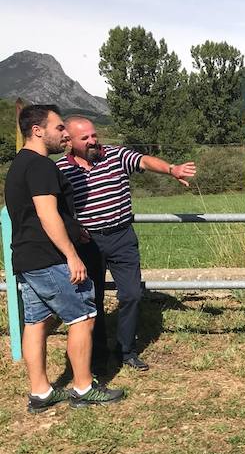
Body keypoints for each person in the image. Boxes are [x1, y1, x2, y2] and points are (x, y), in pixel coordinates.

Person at [5, 105, 124, 412]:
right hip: (49, 258)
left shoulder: (19, 164)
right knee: (83, 318)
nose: (64, 133)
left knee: (37, 322)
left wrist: (75, 228)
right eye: (59, 128)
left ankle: (41, 392)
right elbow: (46, 214)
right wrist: (72, 255)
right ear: (37, 130)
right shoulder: (43, 166)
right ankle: (84, 388)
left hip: (26, 258)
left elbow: (33, 214)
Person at [58, 116, 196, 372]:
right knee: (92, 299)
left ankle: (126, 351)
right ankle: (97, 354)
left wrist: (171, 169)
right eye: (85, 138)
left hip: (122, 237)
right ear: (70, 141)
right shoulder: (61, 170)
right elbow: (56, 209)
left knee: (131, 294)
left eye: (94, 135)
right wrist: (74, 229)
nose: (92, 141)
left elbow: (143, 160)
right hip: (88, 242)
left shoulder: (115, 155)